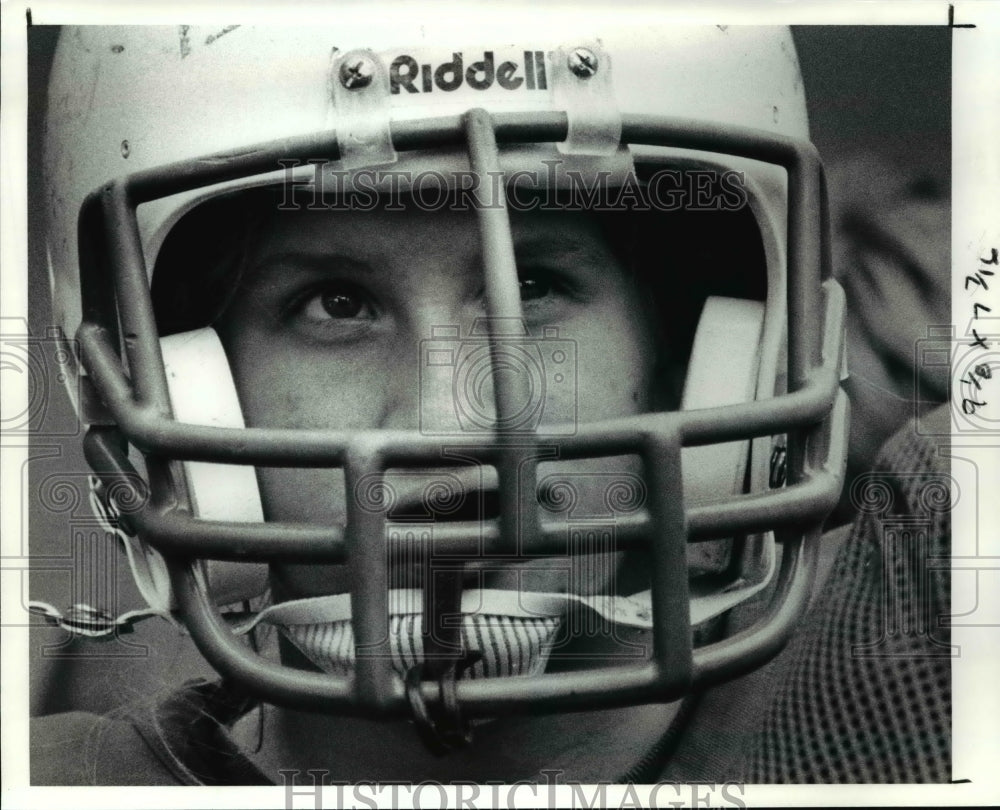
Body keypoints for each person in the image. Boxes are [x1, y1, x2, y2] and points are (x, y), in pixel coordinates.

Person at [27, 15, 946, 785]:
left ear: (694, 355)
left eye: (535, 284)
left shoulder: (911, 678)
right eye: (335, 304)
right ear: (187, 390)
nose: (455, 425)